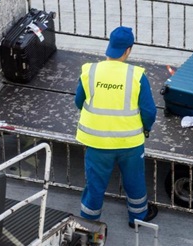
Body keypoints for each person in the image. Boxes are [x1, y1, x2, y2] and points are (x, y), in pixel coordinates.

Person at [74, 26, 158, 228]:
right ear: (128, 50)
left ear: (109, 46)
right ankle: (137, 217)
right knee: (134, 181)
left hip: (96, 143)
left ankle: (88, 222)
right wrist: (145, 128)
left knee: (94, 185)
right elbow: (149, 111)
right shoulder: (137, 76)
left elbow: (79, 101)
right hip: (129, 143)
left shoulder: (90, 71)